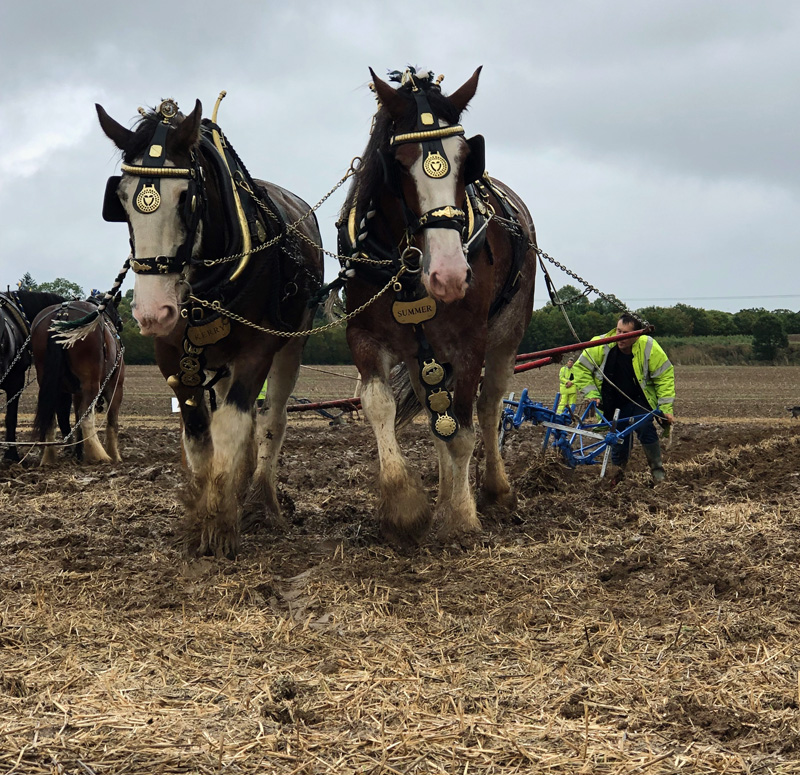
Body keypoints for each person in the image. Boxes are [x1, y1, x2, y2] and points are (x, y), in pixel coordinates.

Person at [572, 314, 675, 484]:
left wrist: (665, 408)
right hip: (612, 401)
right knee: (618, 437)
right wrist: (592, 394)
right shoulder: (601, 344)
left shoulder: (649, 346)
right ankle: (617, 476)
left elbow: (664, 377)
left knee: (645, 427)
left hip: (638, 399)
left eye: (625, 333)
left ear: (636, 335)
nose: (620, 336)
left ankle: (658, 473)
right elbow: (580, 369)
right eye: (618, 331)